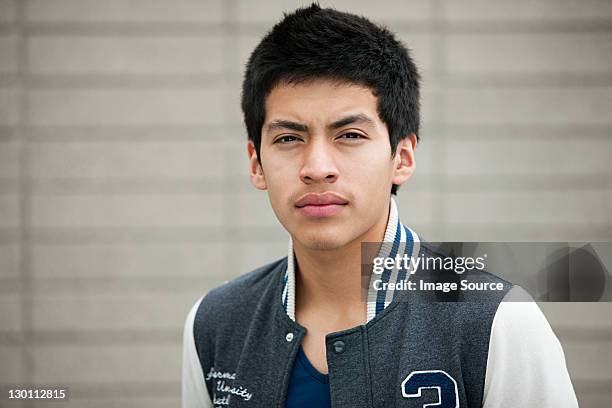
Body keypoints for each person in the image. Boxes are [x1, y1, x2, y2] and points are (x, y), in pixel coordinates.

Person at [182, 4, 578, 407]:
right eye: (288, 139)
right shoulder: (215, 321)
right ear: (256, 163)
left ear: (402, 158)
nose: (317, 168)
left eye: (350, 135)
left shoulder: (499, 318)